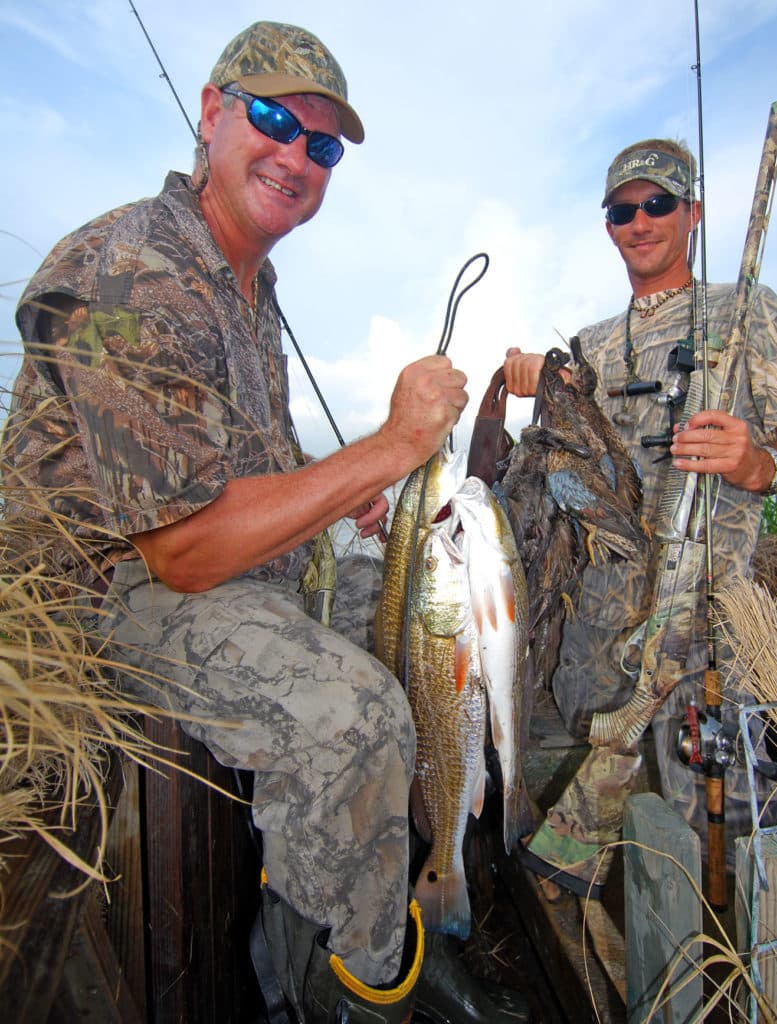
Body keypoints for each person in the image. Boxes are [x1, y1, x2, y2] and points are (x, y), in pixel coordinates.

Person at [4, 21, 528, 1024]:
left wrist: (345, 492)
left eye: (321, 145)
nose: (294, 155)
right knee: (356, 715)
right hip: (103, 591)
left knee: (415, 610)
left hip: (218, 570)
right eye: (273, 119)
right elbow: (184, 546)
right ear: (211, 112)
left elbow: (250, 461)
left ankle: (398, 895)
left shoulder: (250, 284)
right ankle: (353, 986)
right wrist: (387, 447)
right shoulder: (128, 269)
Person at [503, 137, 777, 890]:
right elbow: (554, 474)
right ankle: (617, 940)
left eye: (657, 204)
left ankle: (742, 964)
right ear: (608, 226)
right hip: (598, 629)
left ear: (691, 212)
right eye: (623, 210)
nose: (640, 222)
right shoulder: (588, 346)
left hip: (705, 622)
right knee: (609, 822)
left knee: (727, 818)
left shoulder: (744, 311)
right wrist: (531, 381)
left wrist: (762, 463)